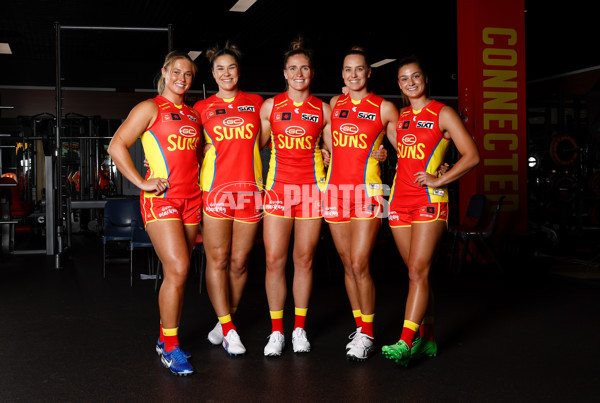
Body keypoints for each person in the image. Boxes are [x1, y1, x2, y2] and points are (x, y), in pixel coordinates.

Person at [381, 56, 480, 366]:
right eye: (404, 78)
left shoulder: (443, 113)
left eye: (416, 76)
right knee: (418, 275)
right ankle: (430, 340)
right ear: (398, 84)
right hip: (398, 202)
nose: (411, 82)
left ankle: (405, 342)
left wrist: (441, 177)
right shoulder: (401, 117)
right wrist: (383, 153)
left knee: (416, 272)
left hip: (429, 201)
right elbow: (402, 154)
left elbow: (472, 155)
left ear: (425, 78)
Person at [107, 51, 202, 376]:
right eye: (177, 72)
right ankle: (171, 349)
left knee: (180, 273)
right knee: (177, 267)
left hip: (192, 200)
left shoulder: (192, 114)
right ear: (165, 71)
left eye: (188, 74)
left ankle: (165, 338)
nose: (182, 79)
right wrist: (142, 183)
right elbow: (117, 145)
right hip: (162, 200)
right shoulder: (150, 108)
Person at [324, 46, 399, 361]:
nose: (353, 75)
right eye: (347, 69)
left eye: (359, 69)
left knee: (359, 263)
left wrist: (386, 154)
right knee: (347, 265)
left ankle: (367, 332)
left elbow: (404, 148)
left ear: (369, 73)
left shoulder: (384, 108)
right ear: (342, 74)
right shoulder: (334, 103)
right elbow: (328, 141)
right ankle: (360, 326)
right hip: (335, 191)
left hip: (368, 193)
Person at [258, 38, 331, 356]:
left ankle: (299, 328)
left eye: (304, 67)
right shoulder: (270, 106)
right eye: (292, 68)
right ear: (284, 74)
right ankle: (277, 332)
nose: (298, 73)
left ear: (311, 73)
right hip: (277, 190)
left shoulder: (324, 109)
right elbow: (250, 148)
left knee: (304, 260)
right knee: (274, 260)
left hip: (312, 191)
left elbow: (335, 151)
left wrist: (380, 154)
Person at [193, 43, 263, 356]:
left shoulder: (257, 103)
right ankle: (230, 328)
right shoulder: (201, 108)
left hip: (249, 190)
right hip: (216, 191)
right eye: (220, 68)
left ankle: (223, 323)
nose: (226, 73)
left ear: (239, 71)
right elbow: (184, 149)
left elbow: (273, 139)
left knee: (239, 262)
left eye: (231, 67)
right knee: (218, 260)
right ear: (212, 73)